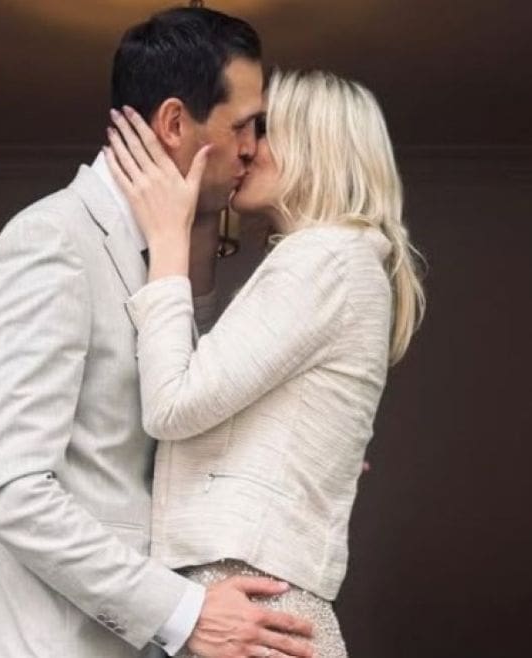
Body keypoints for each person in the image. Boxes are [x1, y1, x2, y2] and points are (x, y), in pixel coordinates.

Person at [0, 8, 316, 658]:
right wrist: (184, 613)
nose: (254, 147)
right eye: (243, 125)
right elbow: (10, 489)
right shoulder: (52, 241)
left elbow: (181, 430)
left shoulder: (174, 255)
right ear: (174, 123)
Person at [104, 68, 426, 658]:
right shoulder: (344, 261)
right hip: (253, 603)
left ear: (316, 146)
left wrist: (169, 240)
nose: (247, 147)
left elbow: (173, 404)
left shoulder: (326, 258)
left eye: (266, 129)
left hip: (250, 603)